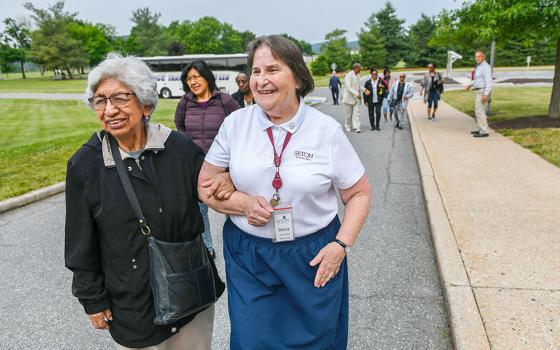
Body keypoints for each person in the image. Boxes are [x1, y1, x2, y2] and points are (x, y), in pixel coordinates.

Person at [198, 35, 372, 350]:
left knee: (316, 342)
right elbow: (205, 186)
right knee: (251, 340)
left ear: (297, 76)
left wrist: (341, 245)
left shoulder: (326, 131)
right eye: (256, 71)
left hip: (313, 256)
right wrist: (242, 203)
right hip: (251, 256)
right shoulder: (235, 124)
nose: (261, 80)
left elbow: (359, 193)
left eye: (272, 70)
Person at [65, 53, 228, 349]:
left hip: (191, 293)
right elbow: (80, 241)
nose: (109, 109)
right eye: (100, 101)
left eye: (119, 98)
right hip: (133, 304)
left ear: (146, 104)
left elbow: (215, 193)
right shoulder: (85, 165)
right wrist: (92, 299)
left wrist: (231, 184)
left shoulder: (180, 150)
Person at [174, 60, 240, 258]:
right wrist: (190, 146)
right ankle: (207, 249)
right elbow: (180, 126)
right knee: (200, 209)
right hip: (196, 166)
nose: (193, 81)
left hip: (225, 167)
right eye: (189, 78)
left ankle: (237, 247)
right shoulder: (185, 102)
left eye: (196, 76)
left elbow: (241, 127)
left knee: (233, 207)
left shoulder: (225, 101)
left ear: (207, 77)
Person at [466, 51, 492, 137]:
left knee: (480, 111)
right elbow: (478, 80)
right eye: (476, 57)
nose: (477, 58)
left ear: (484, 57)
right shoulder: (479, 66)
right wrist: (470, 85)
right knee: (479, 111)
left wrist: (486, 94)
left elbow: (489, 82)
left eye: (479, 56)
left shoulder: (486, 67)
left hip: (482, 91)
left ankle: (484, 131)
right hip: (478, 90)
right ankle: (481, 128)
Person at [341, 63, 363, 133]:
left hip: (356, 99)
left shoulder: (358, 75)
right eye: (360, 68)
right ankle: (348, 125)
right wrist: (356, 93)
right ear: (356, 68)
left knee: (357, 113)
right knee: (349, 114)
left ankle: (357, 127)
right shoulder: (349, 75)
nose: (361, 69)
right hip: (348, 98)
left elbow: (359, 86)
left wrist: (365, 90)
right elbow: (348, 87)